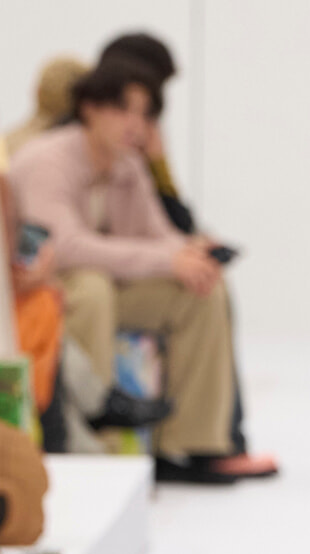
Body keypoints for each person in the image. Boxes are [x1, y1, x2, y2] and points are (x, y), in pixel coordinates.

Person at [9, 57, 252, 481]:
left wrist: (191, 250)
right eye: (123, 109)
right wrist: (166, 258)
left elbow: (154, 234)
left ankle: (190, 445)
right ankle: (92, 444)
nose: (135, 124)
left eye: (145, 113)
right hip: (44, 286)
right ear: (89, 108)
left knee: (200, 289)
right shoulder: (48, 159)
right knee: (92, 288)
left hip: (109, 280)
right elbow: (64, 247)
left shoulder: (126, 163)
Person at [96, 31, 276, 477]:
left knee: (208, 280)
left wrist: (190, 243)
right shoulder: (104, 144)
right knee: (204, 290)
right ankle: (208, 446)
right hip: (108, 275)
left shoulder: (129, 145)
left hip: (128, 267)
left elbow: (168, 222)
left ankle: (218, 439)